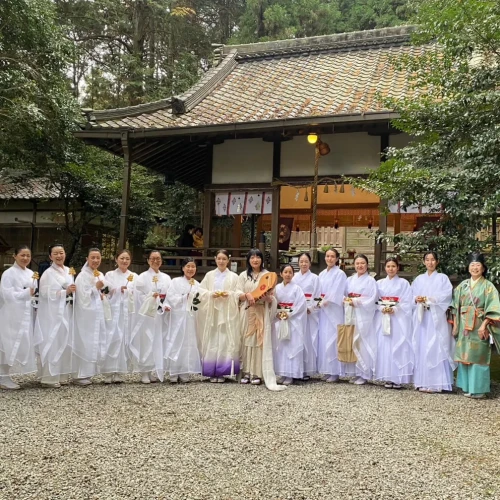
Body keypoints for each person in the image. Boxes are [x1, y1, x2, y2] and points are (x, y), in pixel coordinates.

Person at [451, 253, 500, 399]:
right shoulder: (463, 285)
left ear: (483, 268)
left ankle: (478, 389)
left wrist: (484, 325)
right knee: (465, 355)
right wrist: (455, 325)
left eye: (478, 265)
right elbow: (455, 306)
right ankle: (467, 387)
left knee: (479, 356)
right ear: (468, 268)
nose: (475, 268)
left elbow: (494, 308)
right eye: (472, 265)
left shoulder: (488, 286)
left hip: (479, 324)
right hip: (463, 324)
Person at [238, 248, 284, 391]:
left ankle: (257, 372)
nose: (255, 260)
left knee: (259, 341)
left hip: (261, 311)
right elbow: (237, 292)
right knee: (246, 339)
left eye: (258, 257)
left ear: (262, 260)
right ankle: (245, 371)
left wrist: (268, 298)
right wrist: (247, 295)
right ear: (248, 260)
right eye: (252, 257)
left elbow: (273, 295)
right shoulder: (243, 275)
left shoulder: (267, 275)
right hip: (247, 311)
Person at [411, 251, 455, 393]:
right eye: (427, 260)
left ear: (437, 262)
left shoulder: (443, 278)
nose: (430, 262)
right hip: (422, 316)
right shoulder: (418, 279)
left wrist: (430, 299)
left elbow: (446, 295)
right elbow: (411, 295)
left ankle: (438, 383)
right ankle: (422, 381)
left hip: (436, 317)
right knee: (422, 345)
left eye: (432, 260)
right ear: (424, 262)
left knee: (437, 346)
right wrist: (416, 299)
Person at [35, 244, 75, 388]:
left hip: (65, 310)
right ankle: (49, 377)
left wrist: (72, 292)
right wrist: (65, 292)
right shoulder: (47, 273)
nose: (59, 256)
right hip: (52, 313)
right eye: (56, 253)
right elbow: (46, 293)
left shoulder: (69, 271)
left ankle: (62, 374)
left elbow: (72, 287)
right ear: (50, 256)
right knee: (53, 341)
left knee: (64, 340)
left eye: (61, 253)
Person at [197, 250, 240, 383]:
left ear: (228, 260)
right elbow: (201, 291)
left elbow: (238, 292)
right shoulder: (209, 275)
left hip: (227, 312)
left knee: (225, 339)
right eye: (219, 258)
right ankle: (211, 371)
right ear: (215, 259)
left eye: (224, 259)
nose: (221, 261)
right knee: (212, 338)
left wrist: (231, 294)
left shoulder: (234, 276)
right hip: (212, 311)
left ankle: (222, 371)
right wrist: (210, 294)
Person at [130, 250, 171, 384]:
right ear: (148, 260)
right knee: (146, 341)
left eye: (158, 259)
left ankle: (154, 369)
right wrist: (150, 297)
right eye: (152, 259)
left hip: (160, 314)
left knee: (158, 341)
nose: (155, 261)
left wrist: (165, 304)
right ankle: (144, 371)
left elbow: (169, 295)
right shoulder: (142, 277)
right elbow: (138, 295)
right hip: (147, 315)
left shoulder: (166, 277)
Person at [0, 246, 37, 390]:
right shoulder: (9, 274)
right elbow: (6, 295)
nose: (25, 258)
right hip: (11, 314)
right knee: (7, 343)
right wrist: (25, 293)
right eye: (22, 255)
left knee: (19, 343)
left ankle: (6, 374)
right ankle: (3, 375)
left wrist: (31, 295)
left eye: (28, 255)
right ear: (15, 256)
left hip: (25, 314)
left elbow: (32, 293)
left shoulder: (30, 273)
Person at [72, 248, 111, 386]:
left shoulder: (100, 274)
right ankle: (79, 373)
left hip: (97, 313)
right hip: (86, 315)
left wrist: (102, 293)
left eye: (98, 258)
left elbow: (104, 291)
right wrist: (96, 288)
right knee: (85, 341)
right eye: (92, 257)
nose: (95, 260)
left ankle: (89, 372)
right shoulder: (82, 276)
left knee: (95, 341)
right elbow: (82, 298)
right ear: (87, 259)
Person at [374, 257, 413, 389]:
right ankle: (387, 376)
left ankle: (398, 377)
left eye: (393, 266)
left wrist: (395, 308)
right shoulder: (379, 283)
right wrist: (381, 308)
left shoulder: (403, 283)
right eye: (388, 266)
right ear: (385, 268)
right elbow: (375, 299)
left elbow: (407, 301)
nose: (391, 269)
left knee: (398, 344)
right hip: (383, 316)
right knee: (384, 346)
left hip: (398, 318)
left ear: (398, 268)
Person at [102, 249, 138, 383]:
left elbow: (137, 293)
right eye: (122, 258)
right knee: (112, 339)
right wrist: (118, 290)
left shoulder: (134, 276)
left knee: (124, 340)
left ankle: (119, 371)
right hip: (113, 310)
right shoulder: (109, 275)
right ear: (116, 259)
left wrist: (130, 291)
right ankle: (108, 371)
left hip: (127, 312)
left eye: (127, 259)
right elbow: (105, 291)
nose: (124, 261)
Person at [164, 258, 202, 383]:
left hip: (190, 317)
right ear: (183, 268)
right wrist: (183, 297)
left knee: (188, 343)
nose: (190, 269)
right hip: (177, 316)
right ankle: (173, 371)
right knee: (176, 341)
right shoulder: (175, 281)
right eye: (188, 266)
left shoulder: (197, 284)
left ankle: (185, 371)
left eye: (193, 266)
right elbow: (171, 296)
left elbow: (199, 301)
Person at [343, 254, 377, 385]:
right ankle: (355, 372)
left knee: (363, 342)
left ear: (367, 265)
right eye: (357, 263)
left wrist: (356, 301)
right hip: (352, 312)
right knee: (353, 341)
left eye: (362, 263)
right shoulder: (349, 280)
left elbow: (372, 299)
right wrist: (346, 300)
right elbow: (344, 294)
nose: (360, 266)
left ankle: (365, 373)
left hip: (363, 315)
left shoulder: (370, 281)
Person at [272, 264, 307, 385]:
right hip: (280, 319)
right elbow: (273, 303)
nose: (287, 274)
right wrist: (276, 313)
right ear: (281, 274)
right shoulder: (276, 288)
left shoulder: (297, 289)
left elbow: (301, 305)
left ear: (293, 275)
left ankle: (292, 374)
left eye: (290, 272)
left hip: (292, 320)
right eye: (285, 272)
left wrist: (290, 314)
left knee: (292, 346)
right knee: (280, 347)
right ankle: (282, 373)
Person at [317, 248, 347, 383]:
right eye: (328, 256)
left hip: (333, 310)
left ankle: (335, 371)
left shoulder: (340, 274)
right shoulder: (322, 274)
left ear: (337, 259)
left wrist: (326, 300)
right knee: (323, 339)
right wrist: (318, 301)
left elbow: (337, 291)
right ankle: (326, 369)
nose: (329, 259)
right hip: (323, 310)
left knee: (333, 339)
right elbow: (317, 290)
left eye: (332, 256)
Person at [292, 252, 320, 379]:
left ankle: (307, 370)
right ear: (298, 263)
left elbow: (318, 296)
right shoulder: (293, 277)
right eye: (301, 261)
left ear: (310, 263)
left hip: (309, 311)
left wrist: (311, 307)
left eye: (306, 261)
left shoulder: (315, 278)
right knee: (296, 338)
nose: (303, 264)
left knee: (308, 339)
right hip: (296, 311)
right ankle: (295, 368)